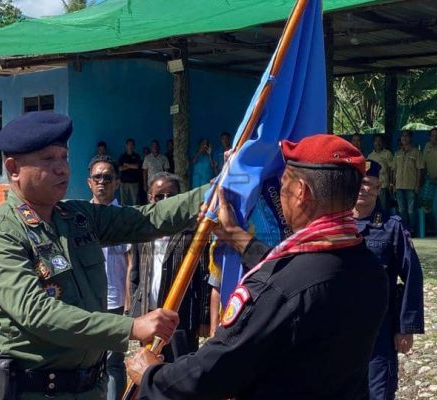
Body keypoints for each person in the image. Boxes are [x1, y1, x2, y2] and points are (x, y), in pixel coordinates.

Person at [125, 134, 388, 399]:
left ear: (301, 192)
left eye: (283, 183)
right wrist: (235, 235)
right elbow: (294, 273)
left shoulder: (278, 290)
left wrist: (152, 376)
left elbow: (216, 371)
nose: (280, 194)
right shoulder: (369, 266)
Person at [0, 112, 210, 399]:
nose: (62, 169)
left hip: (92, 387)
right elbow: (37, 313)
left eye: (64, 157)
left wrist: (218, 188)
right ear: (14, 168)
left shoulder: (77, 216)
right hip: (40, 390)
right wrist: (131, 326)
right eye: (48, 159)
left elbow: (149, 219)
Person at [355, 160, 425, 400]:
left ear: (379, 187)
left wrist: (406, 327)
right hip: (342, 327)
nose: (362, 189)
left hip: (380, 327)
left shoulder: (391, 227)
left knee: (379, 392)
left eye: (368, 184)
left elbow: (412, 275)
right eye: (358, 183)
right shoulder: (336, 226)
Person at [128, 172, 210, 363]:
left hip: (181, 319)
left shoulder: (193, 231)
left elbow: (203, 277)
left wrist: (204, 318)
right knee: (149, 371)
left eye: (171, 196)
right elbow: (136, 275)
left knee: (179, 374)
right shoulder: (142, 230)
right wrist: (136, 311)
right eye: (159, 196)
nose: (165, 201)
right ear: (150, 198)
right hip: (148, 316)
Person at [87, 156, 131, 400]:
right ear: (89, 182)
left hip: (116, 302)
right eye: (97, 177)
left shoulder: (123, 217)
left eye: (107, 177)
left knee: (114, 363)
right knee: (88, 361)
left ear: (117, 183)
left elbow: (130, 263)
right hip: (88, 303)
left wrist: (128, 303)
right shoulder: (79, 218)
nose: (102, 181)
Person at [393, 130, 424, 232]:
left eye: (406, 136)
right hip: (399, 186)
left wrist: (418, 185)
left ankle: (412, 230)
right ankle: (404, 230)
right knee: (402, 209)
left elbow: (420, 169)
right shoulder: (397, 153)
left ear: (410, 138)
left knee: (411, 210)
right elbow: (394, 170)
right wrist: (393, 184)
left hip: (411, 185)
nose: (404, 138)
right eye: (402, 136)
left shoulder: (416, 152)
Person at [368, 133, 394, 210]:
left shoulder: (387, 154)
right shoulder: (370, 156)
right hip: (373, 187)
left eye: (380, 141)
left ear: (383, 142)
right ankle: (376, 222)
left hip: (384, 186)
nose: (378, 143)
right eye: (376, 141)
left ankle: (385, 222)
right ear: (373, 142)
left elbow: (391, 170)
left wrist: (391, 183)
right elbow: (368, 173)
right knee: (374, 207)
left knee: (383, 207)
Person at [118, 138, 142, 206]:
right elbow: (119, 168)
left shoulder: (137, 156)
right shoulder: (122, 156)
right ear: (126, 145)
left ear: (134, 146)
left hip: (134, 182)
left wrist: (126, 165)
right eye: (129, 145)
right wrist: (131, 166)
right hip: (124, 182)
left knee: (136, 202)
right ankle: (124, 216)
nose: (130, 146)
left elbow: (137, 166)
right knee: (123, 202)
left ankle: (136, 215)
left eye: (132, 145)